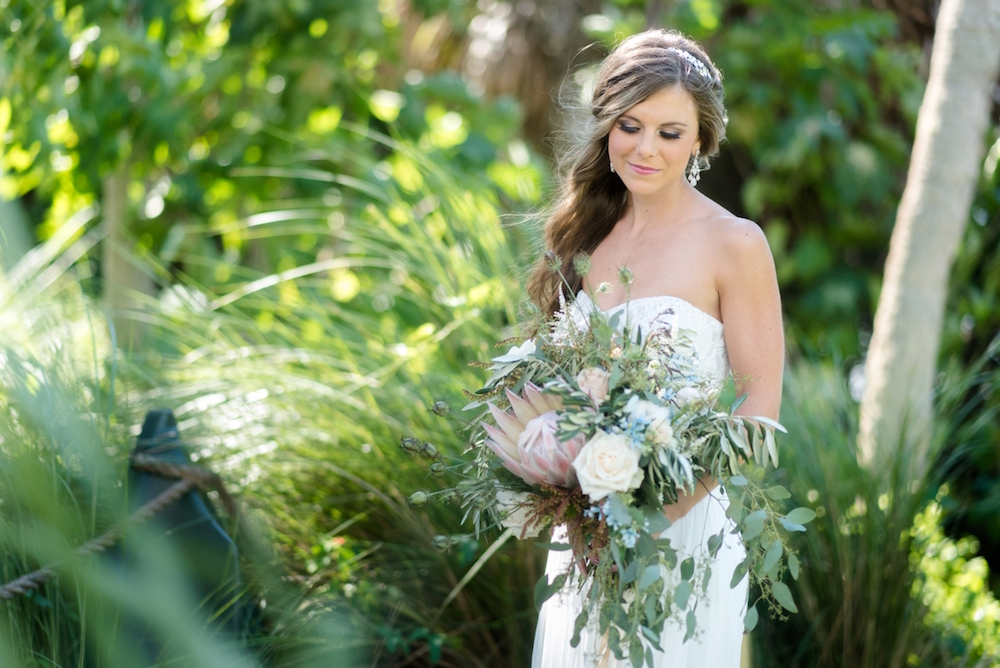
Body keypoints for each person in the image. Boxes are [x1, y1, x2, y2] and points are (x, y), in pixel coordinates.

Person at [526, 30, 784, 668]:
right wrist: (557, 487)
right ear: (608, 124)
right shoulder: (586, 237)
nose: (645, 148)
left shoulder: (735, 243)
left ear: (700, 139)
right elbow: (560, 391)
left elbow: (757, 419)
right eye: (631, 125)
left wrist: (650, 517)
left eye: (670, 132)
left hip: (681, 535)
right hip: (585, 540)